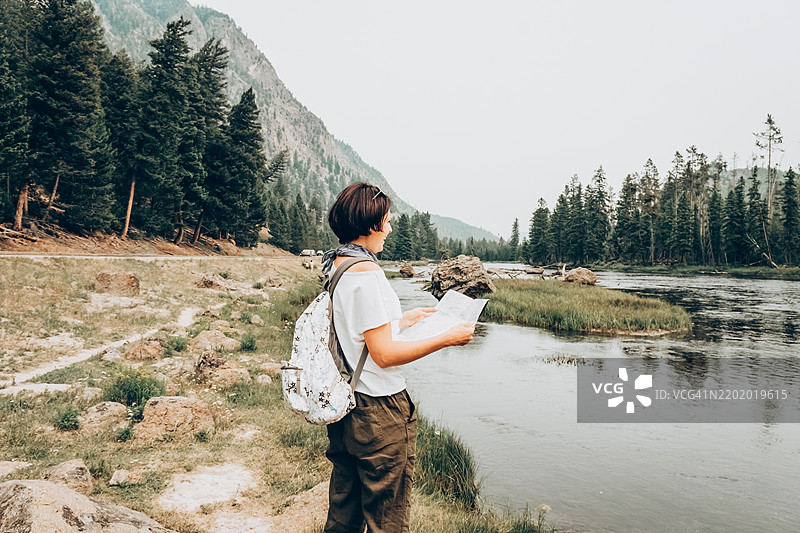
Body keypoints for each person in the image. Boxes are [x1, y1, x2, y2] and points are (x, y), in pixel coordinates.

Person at [321, 182, 474, 532]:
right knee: (386, 519)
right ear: (370, 223)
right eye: (386, 221)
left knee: (344, 513)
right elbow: (385, 355)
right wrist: (446, 337)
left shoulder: (339, 265)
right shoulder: (368, 273)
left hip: (346, 405)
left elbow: (354, 329)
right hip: (379, 412)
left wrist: (402, 320)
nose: (389, 229)